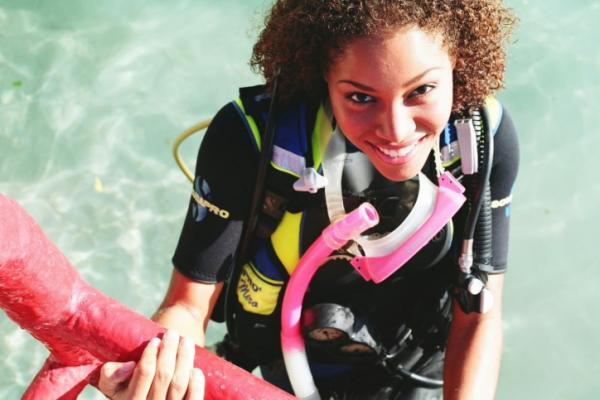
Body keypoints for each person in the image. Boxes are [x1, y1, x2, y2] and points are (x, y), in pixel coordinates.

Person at [100, 0, 519, 398]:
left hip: (423, 365)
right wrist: (161, 366)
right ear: (322, 75)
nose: (396, 130)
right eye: (360, 97)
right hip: (284, 360)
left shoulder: (482, 138)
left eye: (421, 90)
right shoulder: (248, 138)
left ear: (458, 62)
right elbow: (188, 307)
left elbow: (479, 313)